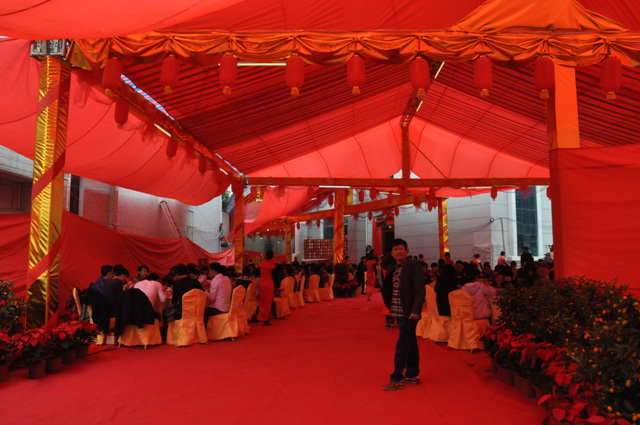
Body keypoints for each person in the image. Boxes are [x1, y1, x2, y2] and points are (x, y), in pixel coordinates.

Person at [381, 239, 426, 391]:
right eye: (395, 249)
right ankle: (412, 374)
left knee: (402, 345)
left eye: (401, 249)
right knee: (410, 342)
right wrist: (392, 254)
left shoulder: (413, 265)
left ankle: (397, 378)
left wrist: (416, 311)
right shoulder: (392, 265)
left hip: (409, 312)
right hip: (397, 310)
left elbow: (420, 290)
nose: (398, 252)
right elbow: (383, 262)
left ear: (407, 251)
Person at [258, 250, 276, 326]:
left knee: (262, 301)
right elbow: (274, 276)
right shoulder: (272, 265)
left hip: (262, 283)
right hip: (269, 284)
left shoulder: (261, 264)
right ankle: (266, 319)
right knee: (268, 302)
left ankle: (261, 317)